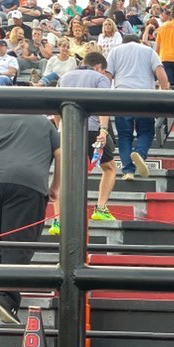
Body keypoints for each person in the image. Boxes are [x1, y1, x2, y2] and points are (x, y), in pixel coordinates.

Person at [0, 114, 61, 323]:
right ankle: (5, 297)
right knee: (17, 242)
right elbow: (61, 154)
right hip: (28, 183)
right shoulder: (44, 123)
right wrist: (55, 186)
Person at [57, 51, 117, 226]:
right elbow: (103, 104)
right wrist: (104, 130)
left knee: (63, 174)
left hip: (66, 130)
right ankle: (100, 208)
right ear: (99, 67)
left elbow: (56, 108)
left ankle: (58, 221)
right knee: (110, 168)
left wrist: (60, 127)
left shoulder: (65, 77)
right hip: (91, 129)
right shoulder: (100, 78)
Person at [106, 35, 170, 181]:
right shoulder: (148, 51)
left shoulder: (115, 51)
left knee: (124, 135)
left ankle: (128, 171)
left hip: (122, 97)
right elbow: (160, 72)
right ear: (138, 41)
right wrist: (166, 92)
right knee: (146, 131)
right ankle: (140, 154)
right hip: (145, 96)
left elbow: (107, 75)